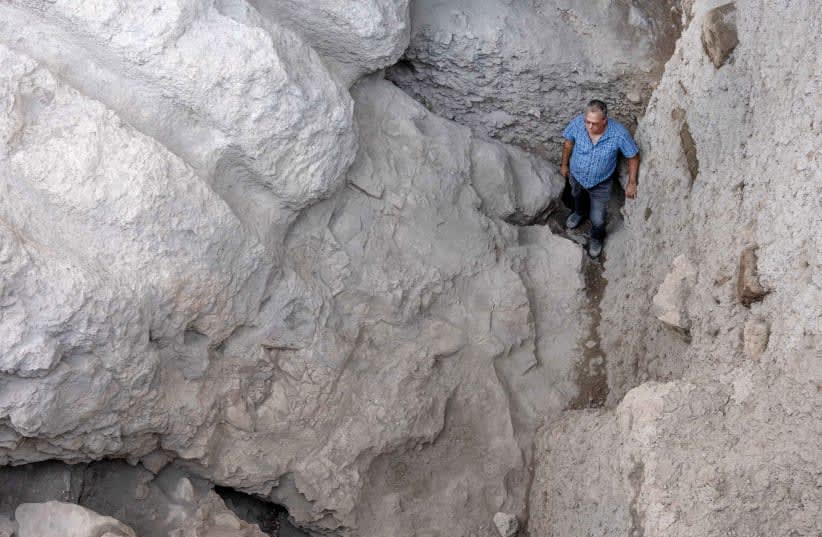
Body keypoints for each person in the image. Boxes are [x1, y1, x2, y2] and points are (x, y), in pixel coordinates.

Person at [560, 100, 640, 258]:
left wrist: (632, 182)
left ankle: (596, 238)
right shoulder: (577, 124)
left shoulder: (619, 134)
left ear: (605, 120)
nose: (589, 127)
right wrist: (564, 165)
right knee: (576, 196)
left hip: (601, 183)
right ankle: (579, 213)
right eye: (587, 122)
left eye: (594, 123)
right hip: (577, 175)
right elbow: (568, 144)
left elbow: (633, 156)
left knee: (598, 217)